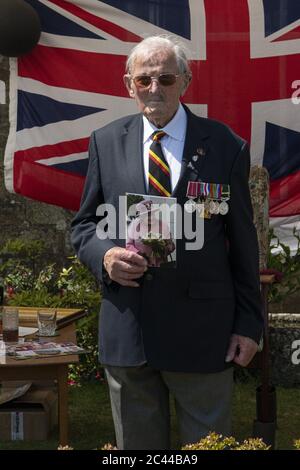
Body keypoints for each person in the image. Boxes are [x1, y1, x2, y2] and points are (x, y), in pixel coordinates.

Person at [71, 35, 263, 450]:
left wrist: (249, 325)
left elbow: (243, 242)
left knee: (206, 447)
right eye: (144, 80)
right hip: (129, 328)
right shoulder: (105, 142)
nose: (154, 89)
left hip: (203, 333)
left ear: (186, 82)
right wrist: (104, 254)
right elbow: (84, 225)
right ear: (128, 85)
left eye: (165, 78)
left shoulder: (225, 146)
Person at [126, 199, 175, 267]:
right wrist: (139, 255)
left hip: (161, 265)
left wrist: (164, 248)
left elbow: (171, 245)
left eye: (152, 213)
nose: (150, 217)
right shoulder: (134, 225)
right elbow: (128, 245)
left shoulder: (163, 225)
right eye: (146, 215)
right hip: (139, 265)